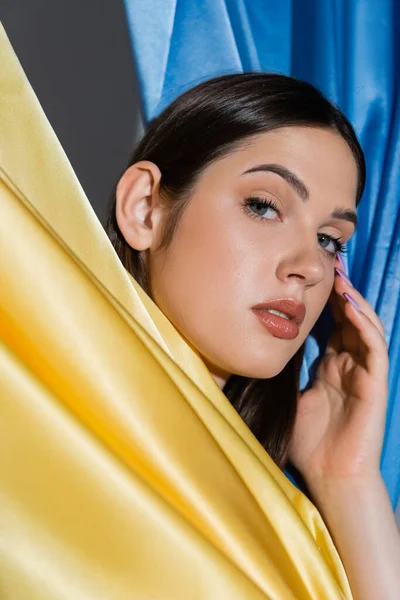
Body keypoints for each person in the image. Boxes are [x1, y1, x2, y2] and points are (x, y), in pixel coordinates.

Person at [1, 24, 399, 599]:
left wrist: (349, 480)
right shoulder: (38, 417)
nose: (309, 266)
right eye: (264, 206)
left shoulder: (292, 516)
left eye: (331, 240)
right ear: (144, 209)